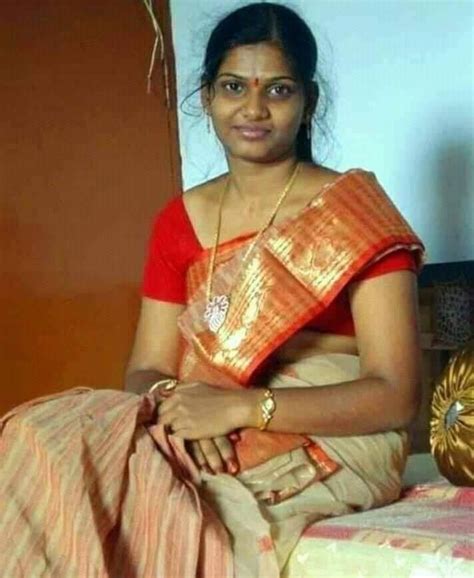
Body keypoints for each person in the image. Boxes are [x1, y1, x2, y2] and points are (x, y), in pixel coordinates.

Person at [0, 3, 424, 577]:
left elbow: (395, 395)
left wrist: (240, 407)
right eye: (233, 86)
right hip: (200, 413)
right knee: (42, 438)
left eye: (278, 90)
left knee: (171, 511)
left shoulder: (353, 214)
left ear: (309, 102)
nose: (253, 108)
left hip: (332, 426)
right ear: (206, 97)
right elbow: (147, 368)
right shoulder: (180, 220)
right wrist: (184, 409)